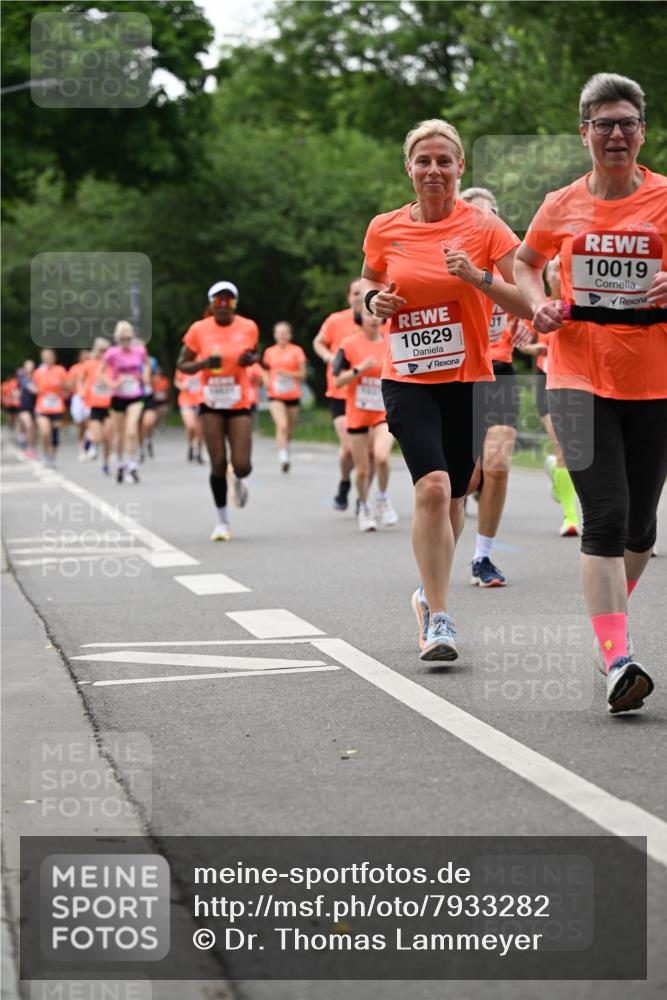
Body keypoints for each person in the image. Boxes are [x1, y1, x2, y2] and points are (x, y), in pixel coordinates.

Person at [514, 72, 667, 714]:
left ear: (642, 132)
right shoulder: (560, 204)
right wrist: (538, 303)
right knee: (604, 515)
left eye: (627, 123)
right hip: (575, 378)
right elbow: (525, 262)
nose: (616, 134)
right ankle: (617, 657)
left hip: (653, 381)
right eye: (604, 124)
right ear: (584, 134)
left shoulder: (664, 197)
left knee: (640, 529)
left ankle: (609, 631)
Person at [360, 118, 530, 661]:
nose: (433, 170)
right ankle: (440, 617)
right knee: (432, 487)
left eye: (444, 161)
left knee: (455, 496)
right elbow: (368, 280)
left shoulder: (485, 227)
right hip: (407, 377)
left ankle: (426, 594)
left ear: (460, 167)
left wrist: (478, 278)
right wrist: (373, 301)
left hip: (467, 378)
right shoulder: (385, 227)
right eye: (423, 160)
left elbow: (528, 300)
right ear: (408, 168)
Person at [459, 187, 532, 587]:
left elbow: (533, 301)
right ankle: (443, 544)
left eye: (488, 215)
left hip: (499, 372)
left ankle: (482, 557)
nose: (481, 222)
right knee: (468, 479)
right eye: (473, 214)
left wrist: (527, 322)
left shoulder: (509, 266)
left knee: (498, 464)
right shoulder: (448, 262)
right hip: (459, 376)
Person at [176, 280, 260, 542]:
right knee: (218, 464)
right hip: (210, 403)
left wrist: (251, 359)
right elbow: (182, 364)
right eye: (219, 301)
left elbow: (255, 354)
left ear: (235, 303)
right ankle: (222, 521)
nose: (223, 305)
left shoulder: (248, 327)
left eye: (228, 300)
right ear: (211, 304)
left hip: (238, 402)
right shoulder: (199, 329)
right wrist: (203, 364)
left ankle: (238, 479)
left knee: (242, 465)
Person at [516, 257, 580, 537]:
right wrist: (539, 350)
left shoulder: (579, 306)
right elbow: (522, 344)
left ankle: (555, 470)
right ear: (546, 277)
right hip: (548, 382)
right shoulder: (538, 306)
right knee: (563, 447)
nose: (557, 272)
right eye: (552, 269)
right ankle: (570, 517)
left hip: (578, 383)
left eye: (560, 268)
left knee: (577, 452)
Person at [332, 306, 398, 531]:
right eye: (368, 314)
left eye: (377, 313)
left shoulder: (391, 341)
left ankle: (382, 498)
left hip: (382, 413)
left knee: (382, 458)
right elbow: (337, 380)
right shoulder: (348, 344)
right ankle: (364, 506)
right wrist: (359, 369)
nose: (374, 318)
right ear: (360, 317)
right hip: (357, 414)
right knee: (362, 470)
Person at [313, 280, 364, 510]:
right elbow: (318, 342)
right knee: (350, 447)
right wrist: (329, 357)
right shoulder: (336, 320)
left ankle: (363, 496)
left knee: (369, 451)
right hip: (341, 392)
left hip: (369, 395)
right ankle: (345, 483)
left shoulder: (379, 320)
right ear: (348, 297)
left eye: (363, 292)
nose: (359, 297)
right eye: (355, 293)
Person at [103, 322, 151, 483]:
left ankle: (132, 464)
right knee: (119, 435)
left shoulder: (139, 350)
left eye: (128, 338)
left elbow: (146, 363)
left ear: (132, 337)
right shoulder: (111, 353)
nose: (126, 341)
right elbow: (100, 372)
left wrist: (146, 376)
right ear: (118, 338)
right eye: (122, 338)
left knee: (131, 430)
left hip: (135, 395)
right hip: (118, 396)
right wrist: (112, 384)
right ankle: (120, 462)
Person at [263, 321, 307, 472]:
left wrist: (288, 373)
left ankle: (285, 448)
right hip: (275, 395)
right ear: (275, 335)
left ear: (290, 335)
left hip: (292, 395)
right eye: (279, 333)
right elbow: (266, 371)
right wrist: (266, 380)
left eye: (285, 333)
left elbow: (303, 375)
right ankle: (283, 457)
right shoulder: (269, 352)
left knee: (289, 430)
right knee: (282, 425)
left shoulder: (297, 351)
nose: (282, 335)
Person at [32, 349, 70, 466]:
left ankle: (52, 456)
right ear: (42, 359)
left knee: (54, 434)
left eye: (49, 356)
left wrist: (62, 386)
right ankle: (45, 454)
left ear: (54, 358)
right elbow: (34, 387)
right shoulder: (38, 372)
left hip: (57, 407)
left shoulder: (60, 370)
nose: (47, 359)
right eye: (45, 357)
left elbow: (68, 386)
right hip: (42, 407)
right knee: (45, 432)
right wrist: (36, 390)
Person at [80, 338, 112, 471]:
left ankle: (106, 463)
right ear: (96, 350)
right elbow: (80, 381)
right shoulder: (89, 364)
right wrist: (81, 391)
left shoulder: (112, 364)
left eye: (106, 350)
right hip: (95, 404)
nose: (103, 353)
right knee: (98, 438)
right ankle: (88, 438)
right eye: (101, 350)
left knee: (107, 437)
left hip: (110, 405)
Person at [174, 367, 204, 462]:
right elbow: (176, 381)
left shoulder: (203, 363)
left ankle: (199, 452)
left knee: (200, 429)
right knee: (191, 426)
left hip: (201, 400)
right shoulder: (185, 365)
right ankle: (191, 445)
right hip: (186, 401)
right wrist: (182, 385)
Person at [68, 350, 91, 460]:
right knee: (80, 424)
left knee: (89, 423)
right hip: (78, 397)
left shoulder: (93, 367)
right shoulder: (75, 368)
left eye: (88, 357)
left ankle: (90, 447)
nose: (86, 359)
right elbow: (69, 384)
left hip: (90, 398)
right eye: (84, 357)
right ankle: (81, 447)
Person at [17, 360, 37, 458]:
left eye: (31, 367)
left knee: (33, 429)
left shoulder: (37, 377)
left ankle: (31, 447)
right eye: (28, 367)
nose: (30, 369)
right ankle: (28, 446)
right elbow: (32, 389)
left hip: (35, 406)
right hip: (24, 406)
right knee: (28, 425)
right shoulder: (22, 377)